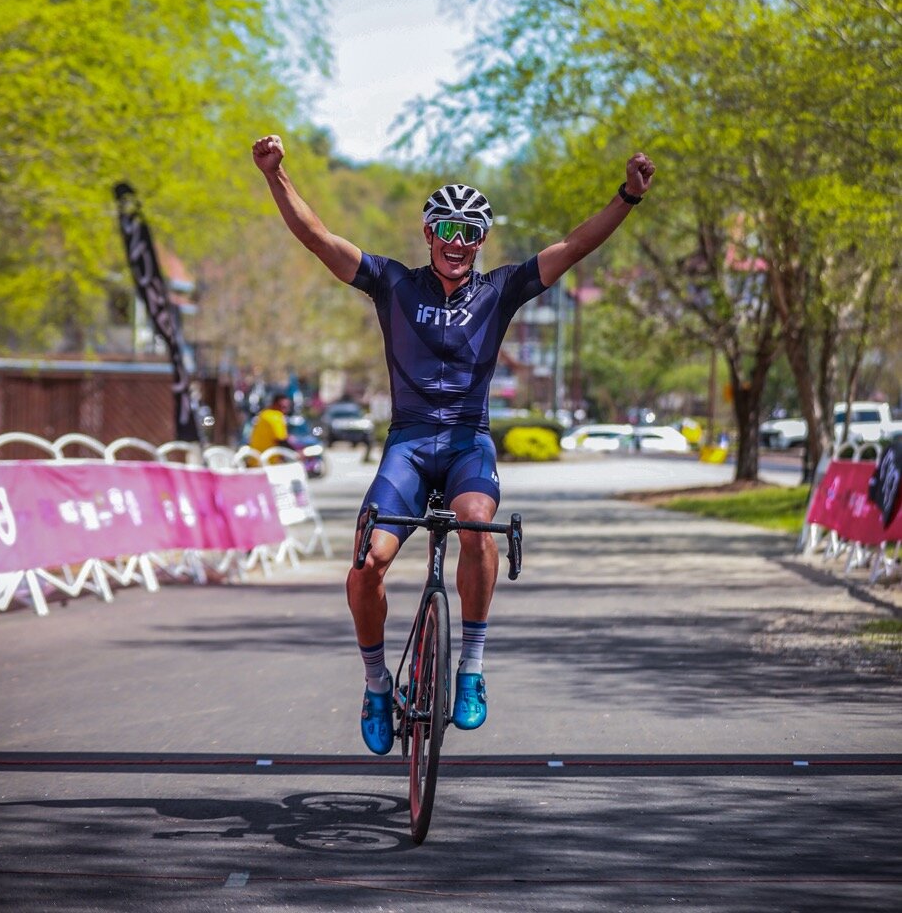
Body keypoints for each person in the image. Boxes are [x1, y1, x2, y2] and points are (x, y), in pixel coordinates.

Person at [251, 133, 655, 754]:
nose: (459, 242)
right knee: (367, 565)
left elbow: (574, 246)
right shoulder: (391, 283)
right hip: (409, 444)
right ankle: (377, 682)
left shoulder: (500, 290)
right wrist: (277, 175)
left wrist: (627, 195)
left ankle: (471, 667)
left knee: (475, 523)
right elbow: (318, 239)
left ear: (483, 240)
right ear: (429, 233)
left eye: (472, 231)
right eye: (448, 228)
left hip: (469, 442)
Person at [248, 389, 290, 457]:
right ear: (275, 404)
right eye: (283, 407)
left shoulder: (263, 414)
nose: (285, 410)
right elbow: (281, 440)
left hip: (254, 459)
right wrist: (297, 453)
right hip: (268, 462)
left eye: (287, 407)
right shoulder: (276, 416)